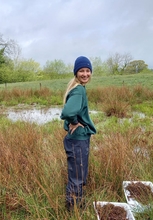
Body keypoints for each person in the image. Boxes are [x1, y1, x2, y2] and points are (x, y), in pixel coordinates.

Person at [60, 56, 97, 211]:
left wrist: (74, 121)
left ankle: (76, 205)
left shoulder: (76, 88)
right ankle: (74, 209)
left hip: (75, 139)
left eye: (88, 71)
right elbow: (68, 111)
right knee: (78, 177)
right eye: (81, 71)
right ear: (76, 72)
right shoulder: (79, 90)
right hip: (78, 140)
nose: (85, 74)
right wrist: (74, 122)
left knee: (77, 174)